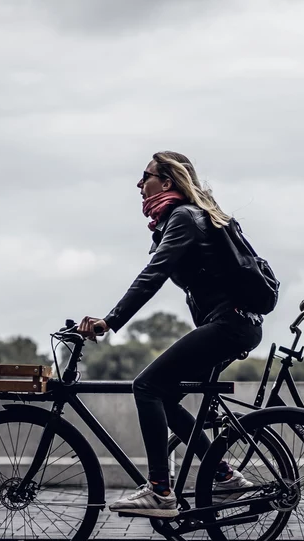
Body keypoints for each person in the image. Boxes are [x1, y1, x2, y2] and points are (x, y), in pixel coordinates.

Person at [77, 151, 262, 518]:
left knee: (145, 386)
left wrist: (110, 321)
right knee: (164, 396)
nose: (138, 184)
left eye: (144, 176)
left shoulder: (183, 218)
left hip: (230, 325)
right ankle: (224, 476)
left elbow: (154, 274)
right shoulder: (183, 218)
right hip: (235, 324)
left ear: (166, 182)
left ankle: (161, 490)